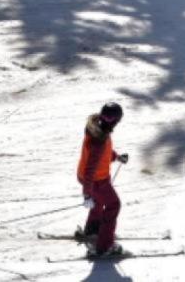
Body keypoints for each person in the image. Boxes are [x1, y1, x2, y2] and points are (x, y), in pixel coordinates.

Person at [77, 102, 129, 257]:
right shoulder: (99, 139)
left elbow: (103, 153)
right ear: (115, 121)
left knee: (99, 202)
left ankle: (93, 230)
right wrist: (86, 194)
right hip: (96, 180)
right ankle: (105, 246)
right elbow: (91, 169)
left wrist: (117, 157)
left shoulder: (96, 129)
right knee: (113, 205)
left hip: (88, 178)